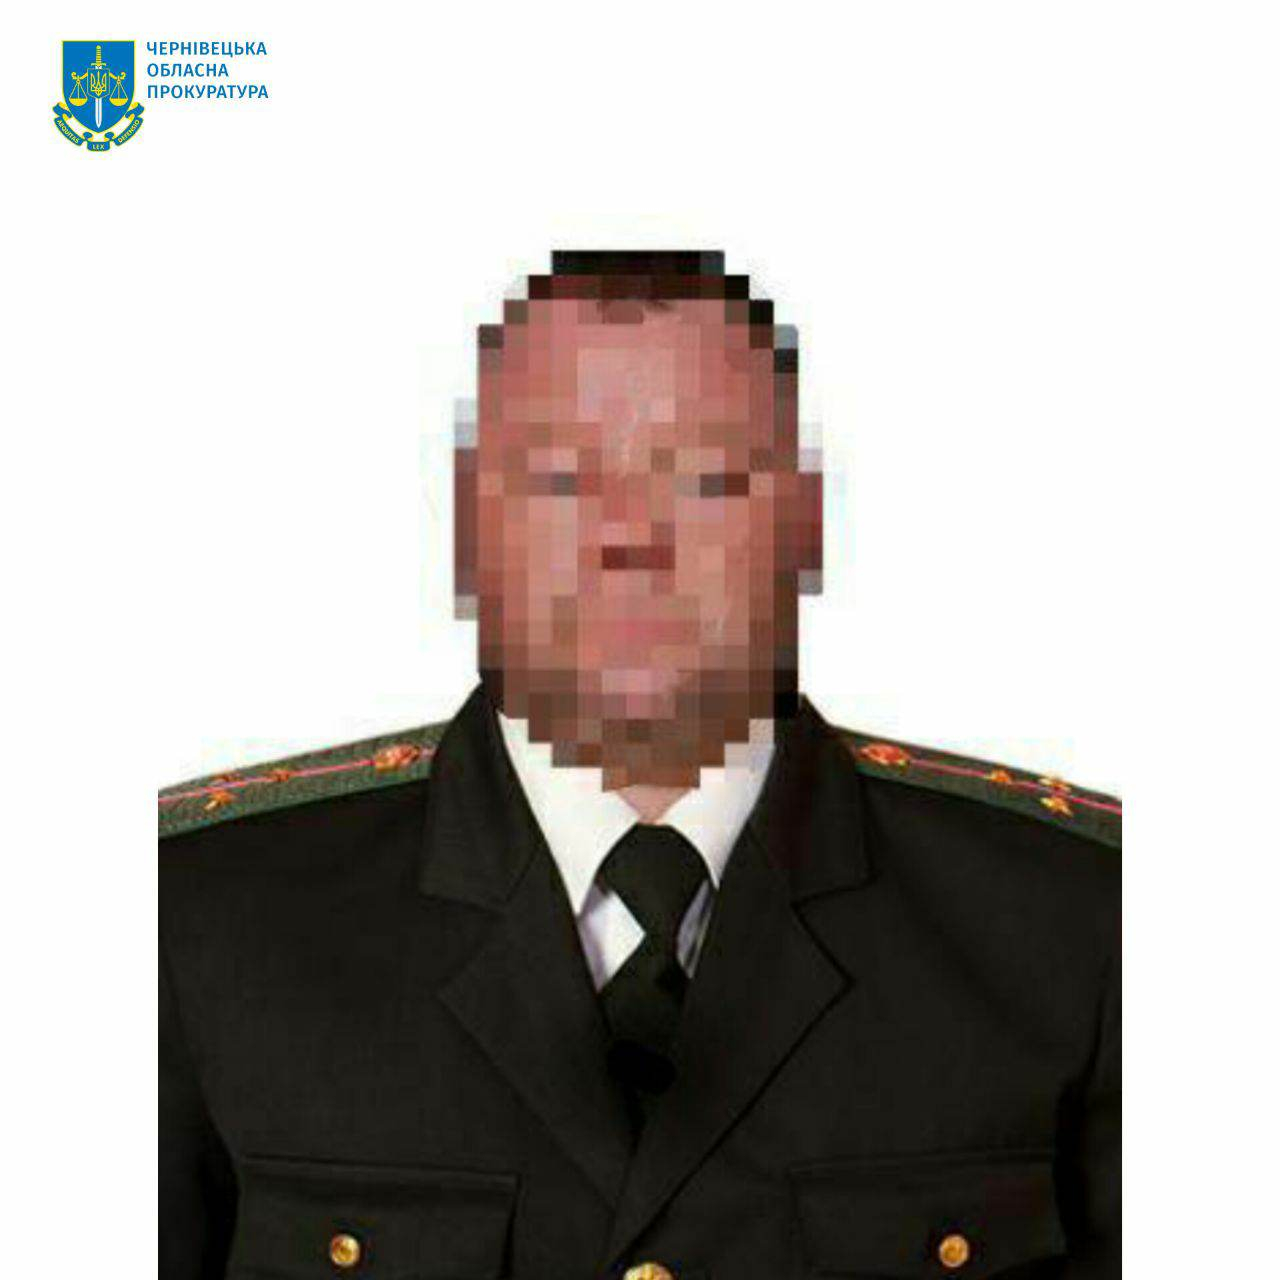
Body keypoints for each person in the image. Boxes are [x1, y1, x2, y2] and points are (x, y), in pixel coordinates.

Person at [159, 250, 1120, 1279]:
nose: (629, 538)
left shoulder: (1074, 923)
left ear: (805, 522)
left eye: (704, 476)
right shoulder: (203, 918)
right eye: (559, 478)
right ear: (472, 527)